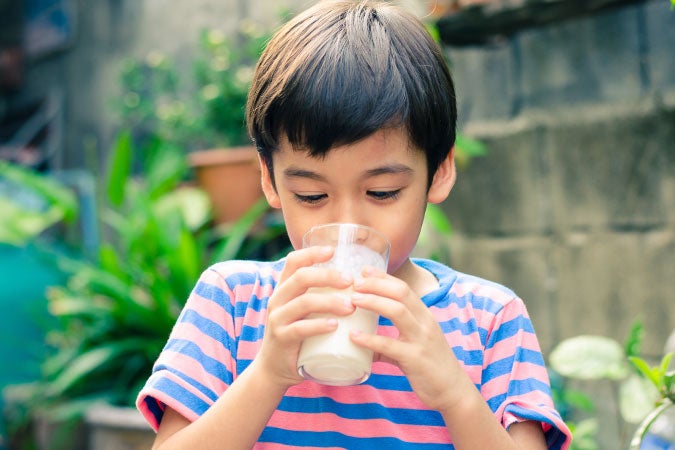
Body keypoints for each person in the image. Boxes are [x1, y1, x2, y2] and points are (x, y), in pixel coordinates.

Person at [136, 1, 572, 449]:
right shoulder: (233, 304)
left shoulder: (488, 319)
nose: (348, 224)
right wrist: (267, 372)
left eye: (382, 192)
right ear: (269, 181)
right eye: (311, 196)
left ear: (439, 171)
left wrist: (456, 395)